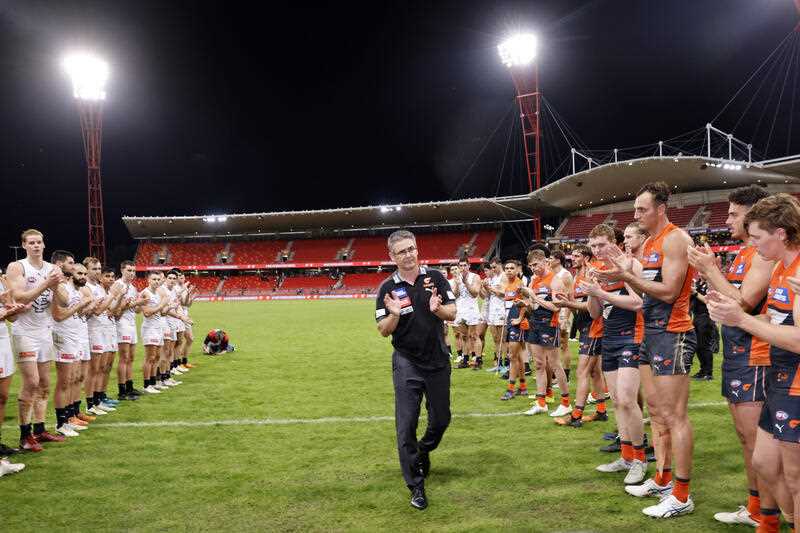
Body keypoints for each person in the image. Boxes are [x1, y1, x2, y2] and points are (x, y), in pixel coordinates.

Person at [599, 182, 697, 518]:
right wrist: (626, 272)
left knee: (675, 417)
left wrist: (629, 275)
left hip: (673, 332)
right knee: (655, 412)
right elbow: (646, 292)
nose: (636, 214)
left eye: (642, 209)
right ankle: (663, 478)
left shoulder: (675, 239)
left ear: (660, 208)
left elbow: (669, 292)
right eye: (636, 208)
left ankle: (682, 495)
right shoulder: (652, 242)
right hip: (651, 333)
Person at [708, 193, 800, 533]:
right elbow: (774, 318)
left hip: (795, 382)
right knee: (763, 461)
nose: (754, 243)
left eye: (759, 236)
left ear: (781, 234)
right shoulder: (780, 268)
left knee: (794, 476)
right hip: (779, 378)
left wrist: (742, 320)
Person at [688, 184, 776, 527]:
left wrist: (710, 271)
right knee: (745, 438)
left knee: (758, 443)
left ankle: (768, 517)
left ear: (755, 214)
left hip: (757, 355)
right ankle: (756, 508)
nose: (727, 219)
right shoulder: (743, 253)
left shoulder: (763, 255)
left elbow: (745, 303)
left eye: (733, 213)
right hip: (737, 351)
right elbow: (731, 300)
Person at [375, 229, 456, 511]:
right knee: (406, 425)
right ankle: (416, 485)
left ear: (417, 249)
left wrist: (438, 310)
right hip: (406, 362)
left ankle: (424, 449)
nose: (408, 255)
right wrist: (394, 315)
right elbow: (383, 331)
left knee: (442, 419)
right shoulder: (387, 289)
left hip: (437, 359)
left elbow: (453, 312)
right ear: (392, 256)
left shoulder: (436, 278)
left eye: (411, 249)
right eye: (401, 251)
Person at [583, 223, 647, 485]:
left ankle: (641, 460)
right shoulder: (597, 269)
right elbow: (594, 313)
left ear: (614, 241)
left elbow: (639, 302)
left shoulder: (629, 264)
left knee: (629, 400)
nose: (597, 250)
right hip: (609, 337)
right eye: (593, 245)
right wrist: (592, 292)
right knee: (618, 401)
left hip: (632, 336)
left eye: (601, 244)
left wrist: (599, 292)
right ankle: (626, 456)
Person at [6, 229, 65, 451]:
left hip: (44, 332)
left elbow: (64, 301)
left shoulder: (52, 269)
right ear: (24, 245)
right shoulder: (18, 267)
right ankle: (24, 435)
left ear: (44, 244)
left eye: (39, 242)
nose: (36, 246)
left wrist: (58, 287)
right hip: (24, 332)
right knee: (31, 382)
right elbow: (19, 297)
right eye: (31, 243)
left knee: (44, 384)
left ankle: (40, 430)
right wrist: (46, 284)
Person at [553, 244, 608, 427]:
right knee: (594, 371)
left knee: (582, 371)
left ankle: (576, 416)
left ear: (585, 257)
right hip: (586, 326)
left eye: (576, 256)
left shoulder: (592, 273)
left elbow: (593, 306)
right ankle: (601, 410)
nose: (572, 259)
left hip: (595, 327)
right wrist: (566, 302)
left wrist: (568, 304)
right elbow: (577, 301)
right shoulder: (577, 276)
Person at [523, 249, 571, 417]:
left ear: (544, 262)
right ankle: (541, 402)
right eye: (530, 266)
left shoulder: (555, 280)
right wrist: (525, 303)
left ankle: (566, 403)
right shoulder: (534, 281)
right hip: (535, 323)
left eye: (535, 264)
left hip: (549, 325)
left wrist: (535, 299)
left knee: (554, 364)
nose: (533, 268)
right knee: (538, 364)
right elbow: (532, 305)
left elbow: (557, 306)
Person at [51, 255, 95, 436]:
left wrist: (88, 308)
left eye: (85, 273)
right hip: (64, 337)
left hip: (76, 337)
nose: (83, 276)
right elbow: (59, 316)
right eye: (79, 272)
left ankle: (70, 416)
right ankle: (61, 423)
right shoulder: (62, 289)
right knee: (64, 381)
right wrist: (81, 306)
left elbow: (77, 313)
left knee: (75, 378)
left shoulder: (76, 291)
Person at [0, 270, 30, 471]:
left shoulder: (1, 281)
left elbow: (13, 319)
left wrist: (12, 307)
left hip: (2, 338)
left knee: (2, 397)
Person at [115, 261, 145, 400]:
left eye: (133, 270)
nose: (132, 273)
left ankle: (129, 386)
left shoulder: (132, 287)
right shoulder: (118, 285)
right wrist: (136, 303)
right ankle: (122, 391)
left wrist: (141, 303)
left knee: (131, 358)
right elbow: (117, 308)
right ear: (122, 270)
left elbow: (137, 310)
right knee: (124, 358)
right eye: (129, 270)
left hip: (131, 323)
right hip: (122, 323)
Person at [498, 260, 527, 400]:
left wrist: (520, 319)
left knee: (512, 356)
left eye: (511, 268)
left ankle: (510, 389)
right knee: (518, 356)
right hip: (511, 320)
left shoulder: (519, 284)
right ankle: (522, 387)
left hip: (517, 323)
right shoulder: (509, 285)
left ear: (517, 270)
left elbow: (525, 303)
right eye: (507, 268)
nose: (509, 270)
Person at [452, 258, 483, 368]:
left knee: (474, 335)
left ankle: (478, 360)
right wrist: (456, 282)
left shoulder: (475, 277)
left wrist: (466, 283)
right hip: (460, 310)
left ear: (469, 266)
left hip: (471, 309)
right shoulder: (457, 277)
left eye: (465, 265)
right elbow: (455, 295)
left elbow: (475, 293)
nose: (462, 268)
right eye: (460, 266)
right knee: (464, 336)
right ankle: (465, 360)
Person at [481, 258, 509, 372]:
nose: (492, 269)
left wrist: (490, 288)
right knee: (496, 338)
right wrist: (485, 288)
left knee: (503, 338)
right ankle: (498, 363)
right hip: (492, 309)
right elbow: (488, 295)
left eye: (494, 267)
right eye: (491, 267)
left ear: (499, 265)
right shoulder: (493, 278)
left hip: (501, 309)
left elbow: (503, 293)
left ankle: (506, 362)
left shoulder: (503, 276)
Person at [551, 250, 575, 383]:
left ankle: (566, 375)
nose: (549, 260)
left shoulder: (565, 275)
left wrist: (566, 317)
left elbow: (570, 298)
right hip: (553, 311)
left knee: (563, 344)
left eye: (551, 258)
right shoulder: (552, 274)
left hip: (563, 312)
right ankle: (556, 373)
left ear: (558, 260)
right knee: (553, 344)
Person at [689, 277, 717, 381]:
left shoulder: (711, 283)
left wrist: (695, 293)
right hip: (696, 316)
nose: (699, 272)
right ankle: (702, 371)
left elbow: (708, 301)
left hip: (706, 316)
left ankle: (708, 373)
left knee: (704, 346)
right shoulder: (699, 283)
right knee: (698, 346)